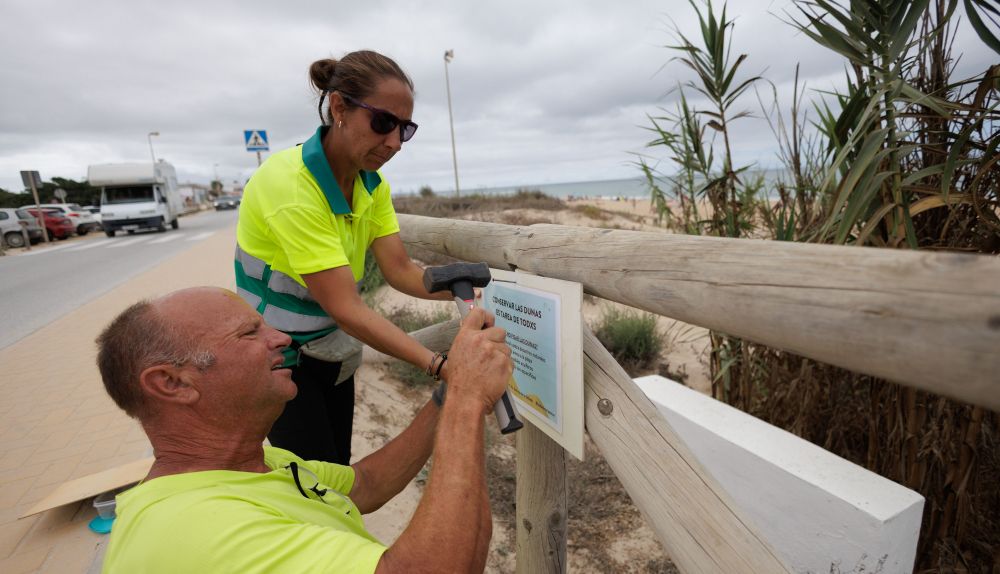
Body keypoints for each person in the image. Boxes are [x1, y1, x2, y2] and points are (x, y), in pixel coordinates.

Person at [97, 287, 512, 573]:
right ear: (172, 383)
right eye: (249, 333)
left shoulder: (250, 464)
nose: (280, 337)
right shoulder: (197, 529)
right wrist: (466, 400)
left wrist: (446, 396)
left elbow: (365, 485)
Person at [235, 50, 452, 465]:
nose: (393, 142)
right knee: (315, 484)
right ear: (339, 108)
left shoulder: (371, 183)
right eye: (383, 122)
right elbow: (348, 308)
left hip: (329, 348)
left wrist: (468, 291)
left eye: (404, 129)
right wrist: (438, 365)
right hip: (274, 359)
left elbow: (401, 270)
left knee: (337, 465)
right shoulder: (292, 187)